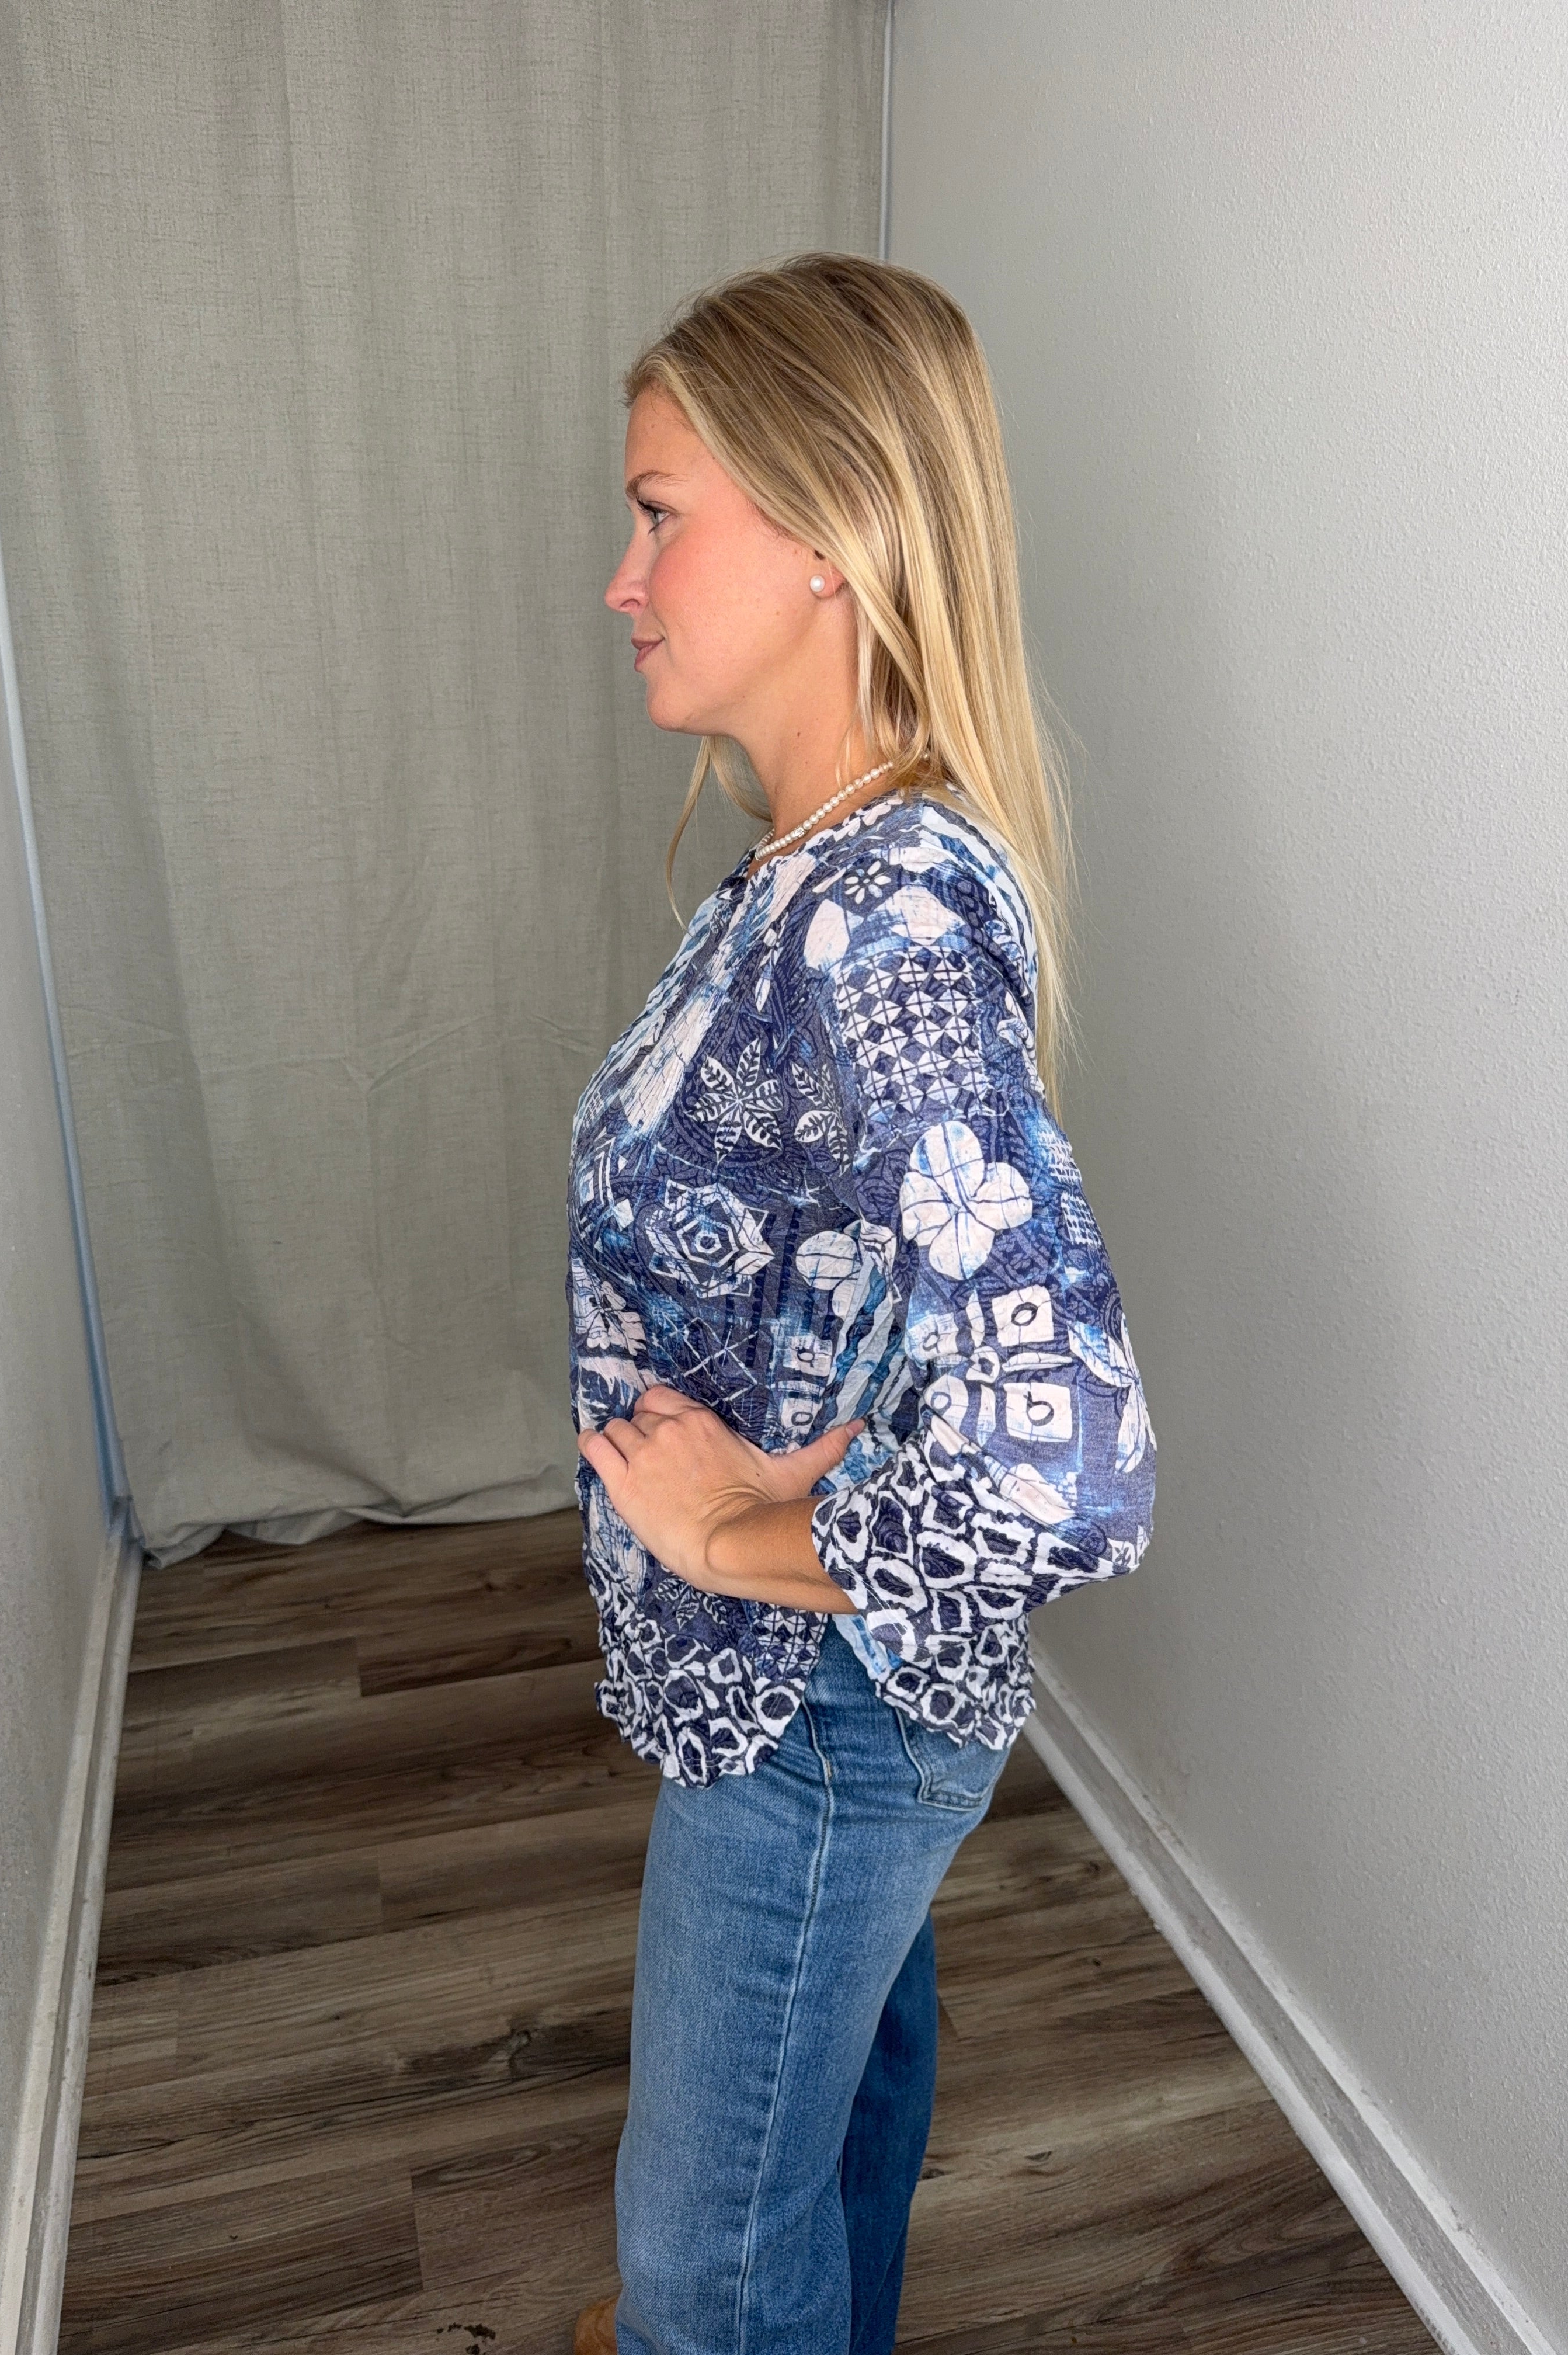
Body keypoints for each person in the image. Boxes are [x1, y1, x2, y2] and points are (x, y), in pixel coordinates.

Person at [567, 253, 1155, 2355]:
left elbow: (1067, 1460)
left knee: (705, 2259)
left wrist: (737, 1536)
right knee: (839, 2111)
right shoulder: (821, 863)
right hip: (829, 1692)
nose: (624, 580)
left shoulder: (880, 921)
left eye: (659, 513)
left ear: (830, 529)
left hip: (818, 1710)